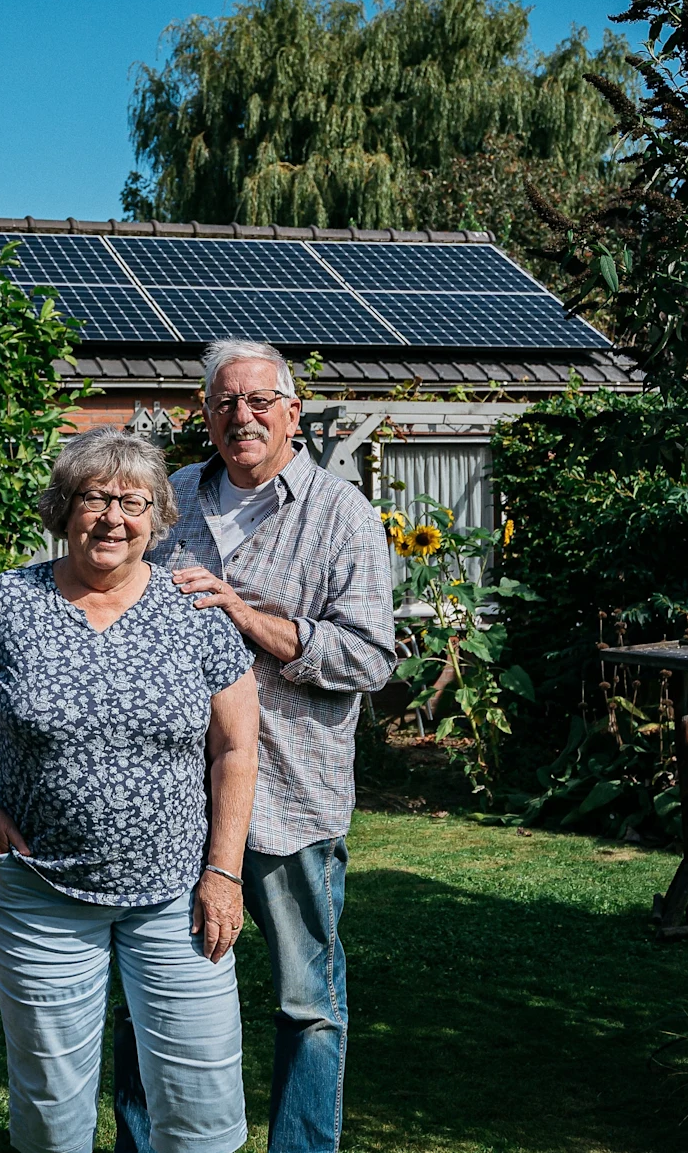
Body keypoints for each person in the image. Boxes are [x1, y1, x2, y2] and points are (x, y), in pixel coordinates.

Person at [0, 427, 261, 1153]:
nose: (113, 516)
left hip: (177, 895)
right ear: (63, 509)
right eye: (94, 497)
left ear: (157, 515)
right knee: (51, 1105)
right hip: (39, 892)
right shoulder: (7, 603)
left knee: (201, 1097)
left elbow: (236, 745)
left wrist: (224, 872)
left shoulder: (193, 610)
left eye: (133, 500)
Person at [118, 339, 397, 1153]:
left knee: (307, 1000)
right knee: (150, 997)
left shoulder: (343, 514)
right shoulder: (167, 502)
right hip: (172, 793)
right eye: (224, 402)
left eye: (258, 401)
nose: (241, 415)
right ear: (204, 415)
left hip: (289, 794)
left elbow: (371, 657)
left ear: (292, 414)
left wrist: (246, 616)